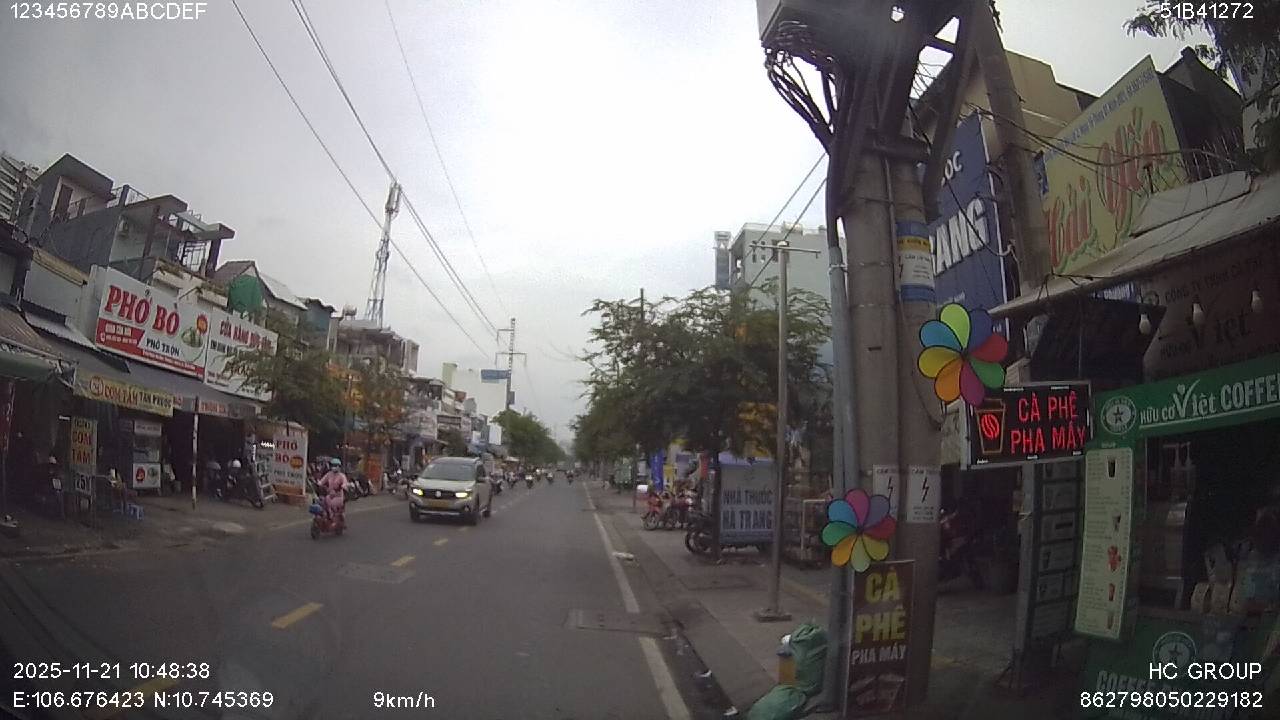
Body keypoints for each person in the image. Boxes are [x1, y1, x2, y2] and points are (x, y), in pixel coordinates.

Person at [319, 458, 349, 524]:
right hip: (330, 495)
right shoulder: (329, 474)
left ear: (339, 467)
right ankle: (327, 516)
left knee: (331, 503)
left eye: (335, 465)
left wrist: (342, 486)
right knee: (323, 501)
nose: (333, 467)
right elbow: (322, 481)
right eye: (332, 465)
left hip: (338, 496)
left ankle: (333, 516)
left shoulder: (342, 476)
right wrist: (319, 484)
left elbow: (345, 483)